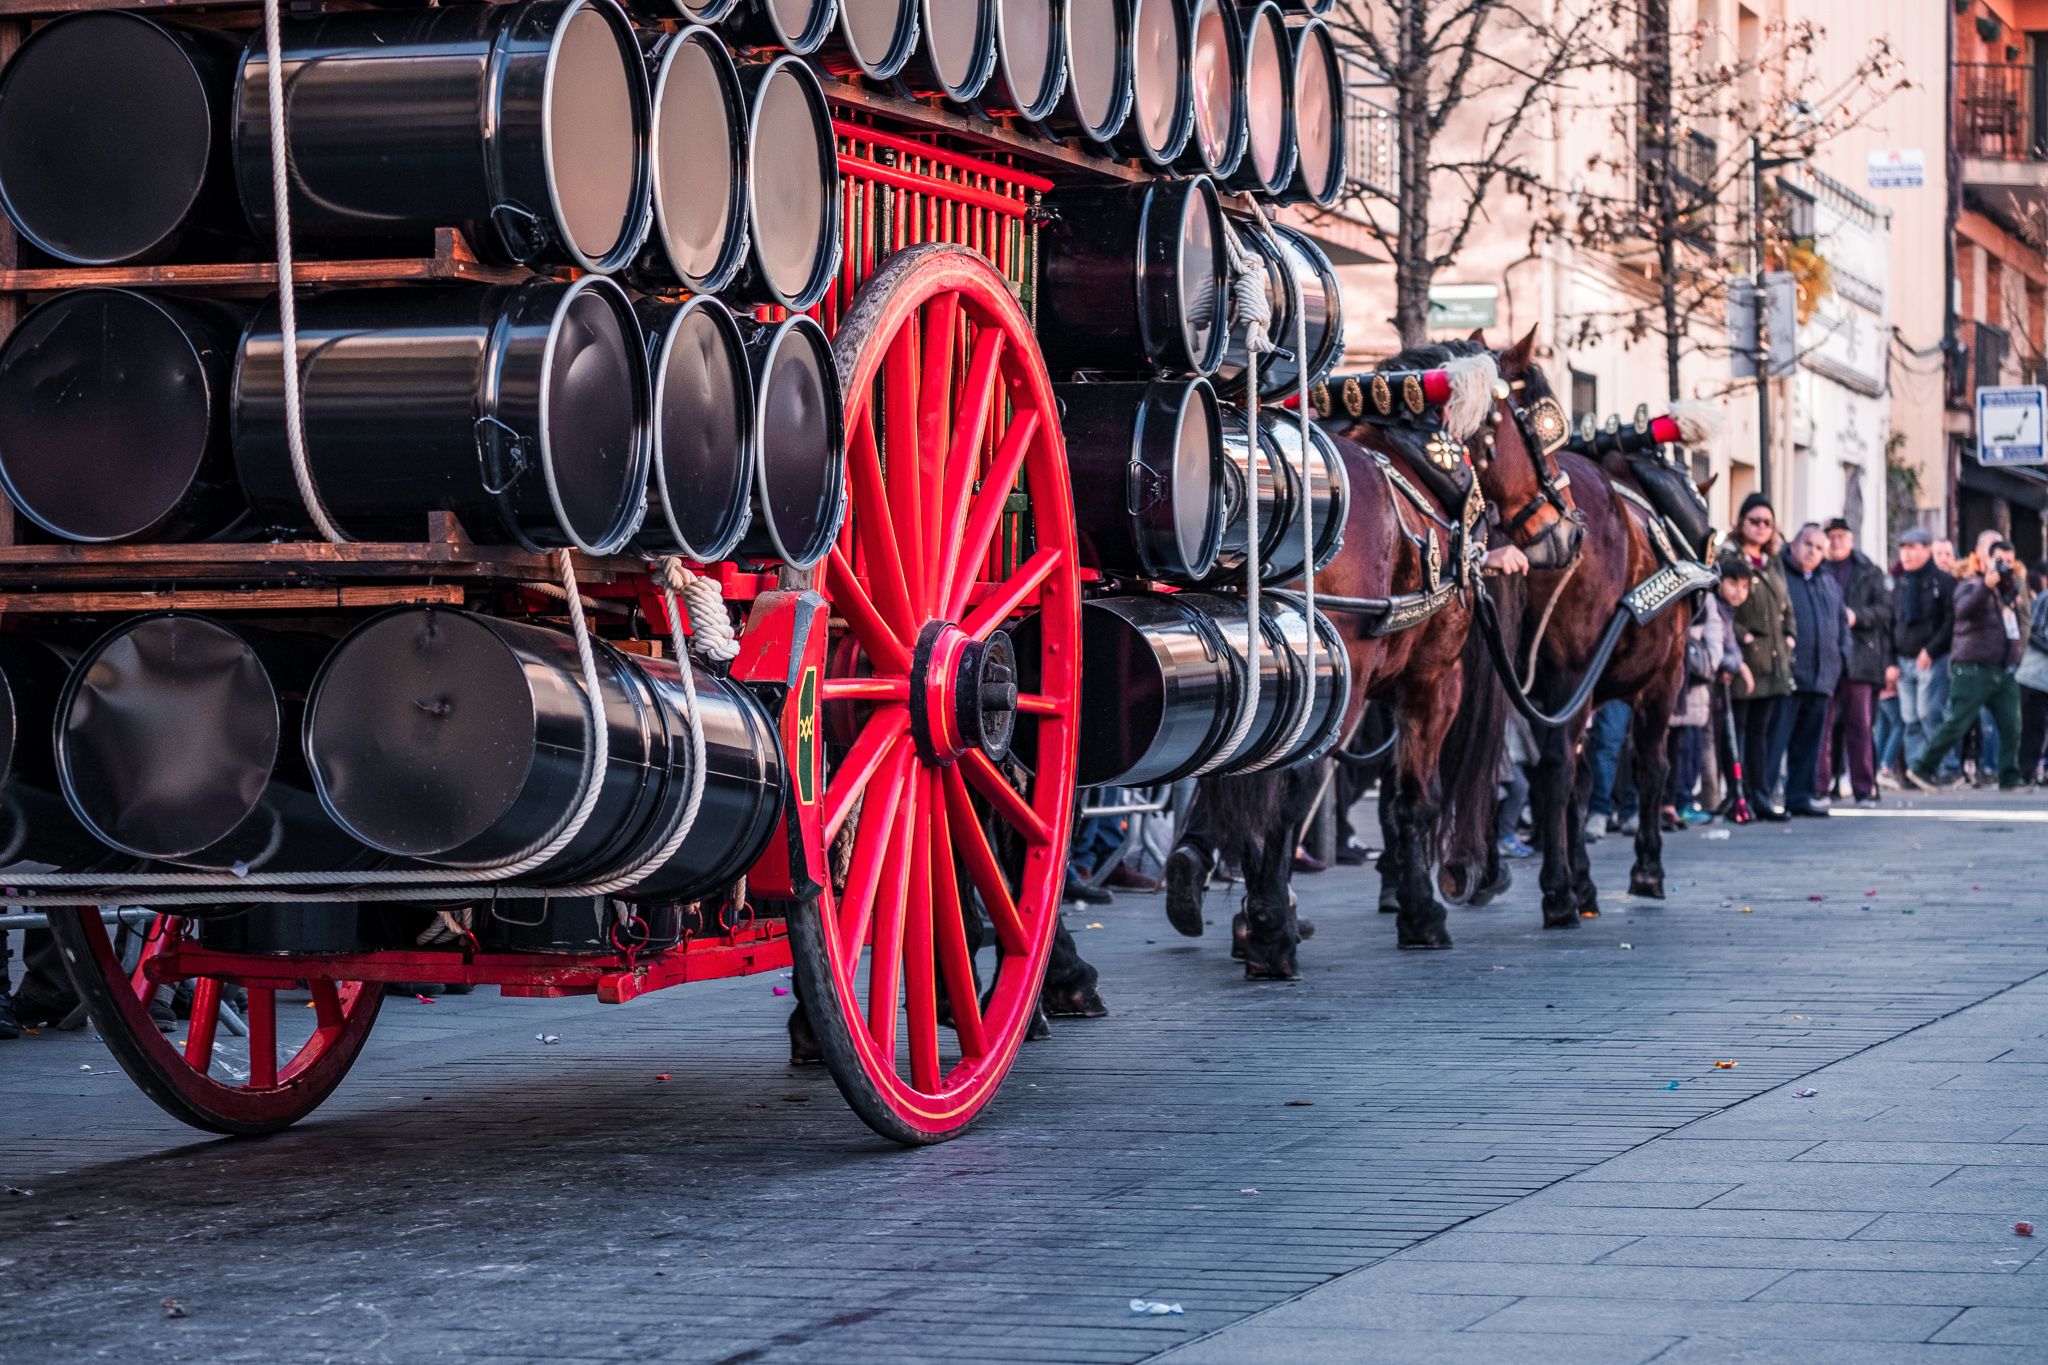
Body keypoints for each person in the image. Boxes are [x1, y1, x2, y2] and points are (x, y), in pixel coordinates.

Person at [1909, 539, 2027, 792]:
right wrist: (1986, 585)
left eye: (2009, 562)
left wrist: (2016, 656)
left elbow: (2016, 628)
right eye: (2000, 561)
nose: (2005, 567)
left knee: (2012, 725)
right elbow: (1963, 611)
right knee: (1958, 723)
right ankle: (1922, 768)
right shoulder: (1970, 585)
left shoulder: (2008, 594)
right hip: (1973, 669)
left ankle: (2009, 777)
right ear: (1985, 560)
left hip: (2002, 669)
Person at [1722, 493, 1795, 820]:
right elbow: (1719, 606)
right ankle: (1738, 796)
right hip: (1742, 657)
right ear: (1741, 523)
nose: (1762, 527)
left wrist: (1791, 634)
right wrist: (1740, 636)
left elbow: (1786, 604)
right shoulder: (1728, 557)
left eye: (1768, 522)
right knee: (1736, 729)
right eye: (1755, 521)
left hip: (1773, 660)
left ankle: (1761, 794)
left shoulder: (1774, 561)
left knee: (1760, 732)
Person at [1817, 517, 1892, 806]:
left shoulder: (1868, 570)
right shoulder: (1817, 568)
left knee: (1860, 726)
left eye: (1841, 536)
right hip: (1826, 657)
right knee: (1821, 727)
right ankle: (1820, 787)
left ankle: (1864, 788)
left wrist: (1856, 617)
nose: (1835, 541)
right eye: (1831, 536)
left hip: (1860, 658)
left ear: (1850, 539)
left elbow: (1885, 610)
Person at [1776, 523, 1849, 816]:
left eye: (1820, 548)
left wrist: (1841, 658)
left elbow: (1842, 623)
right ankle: (1765, 795)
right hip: (1790, 675)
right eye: (1808, 544)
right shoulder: (1780, 575)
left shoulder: (1827, 582)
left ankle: (1800, 796)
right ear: (1793, 545)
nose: (1812, 552)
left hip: (1822, 676)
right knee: (1777, 739)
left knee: (1810, 743)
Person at [1662, 570, 1730, 829]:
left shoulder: (1700, 584)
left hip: (1693, 678)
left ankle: (1680, 801)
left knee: (1686, 747)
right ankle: (1662, 803)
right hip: (1664, 674)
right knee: (1661, 746)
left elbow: (1715, 627)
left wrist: (1710, 660)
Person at [1889, 526, 1954, 783]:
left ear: (1928, 549)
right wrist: (1889, 661)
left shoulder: (1944, 581)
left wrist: (1931, 649)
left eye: (1913, 548)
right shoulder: (1899, 583)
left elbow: (1950, 621)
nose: (1907, 554)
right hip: (1904, 659)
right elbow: (1890, 624)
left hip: (1932, 658)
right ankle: (1917, 769)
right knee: (1910, 719)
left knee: (1930, 713)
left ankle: (1941, 767)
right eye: (1903, 548)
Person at [2017, 558, 2048, 787]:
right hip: (2035, 675)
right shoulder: (2045, 599)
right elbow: (2034, 634)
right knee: (2032, 727)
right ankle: (2025, 772)